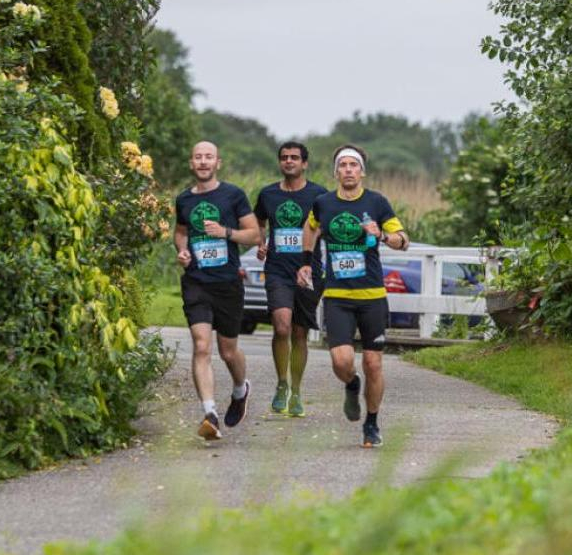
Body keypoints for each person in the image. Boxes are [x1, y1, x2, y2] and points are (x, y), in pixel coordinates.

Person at [297, 145, 409, 447]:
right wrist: (306, 262)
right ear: (336, 171)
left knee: (373, 363)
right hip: (337, 295)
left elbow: (404, 241)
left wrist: (382, 234)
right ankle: (351, 383)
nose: (348, 170)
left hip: (372, 295)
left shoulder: (377, 202)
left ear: (362, 171)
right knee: (341, 361)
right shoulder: (323, 203)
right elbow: (310, 228)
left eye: (353, 165)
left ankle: (371, 422)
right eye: (342, 165)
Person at [174, 141, 261, 440]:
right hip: (196, 281)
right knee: (201, 346)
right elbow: (182, 230)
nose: (203, 162)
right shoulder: (183, 199)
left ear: (217, 163)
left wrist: (225, 232)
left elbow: (254, 234)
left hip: (227, 284)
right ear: (191, 163)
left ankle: (240, 389)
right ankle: (209, 413)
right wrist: (183, 251)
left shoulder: (233, 195)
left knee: (227, 350)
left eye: (208, 157)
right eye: (198, 157)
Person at [254, 143, 326, 417]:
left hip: (307, 271)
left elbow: (324, 226)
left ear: (304, 164)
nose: (289, 161)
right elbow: (258, 221)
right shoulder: (268, 194)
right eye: (284, 157)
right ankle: (281, 384)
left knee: (299, 333)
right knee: (281, 326)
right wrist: (262, 242)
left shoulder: (318, 194)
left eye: (294, 158)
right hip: (277, 270)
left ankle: (296, 390)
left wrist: (313, 242)